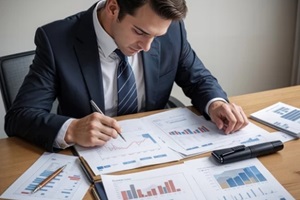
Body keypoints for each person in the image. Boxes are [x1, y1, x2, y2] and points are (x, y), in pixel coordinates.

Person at [5, 0, 249, 152]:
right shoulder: (57, 40)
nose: (147, 47)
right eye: (140, 32)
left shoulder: (170, 30)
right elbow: (19, 117)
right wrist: (71, 129)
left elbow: (198, 79)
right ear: (113, 8)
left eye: (157, 36)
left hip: (159, 152)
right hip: (91, 160)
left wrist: (216, 103)